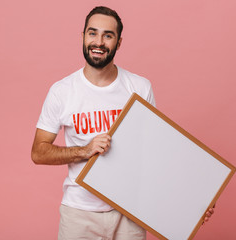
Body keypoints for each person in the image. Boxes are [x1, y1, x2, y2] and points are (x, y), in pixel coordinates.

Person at [31, 6, 214, 240]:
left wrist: (195, 201)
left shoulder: (139, 87)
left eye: (108, 35)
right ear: (83, 36)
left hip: (130, 211)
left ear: (118, 42)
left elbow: (156, 153)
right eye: (92, 33)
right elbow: (39, 152)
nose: (98, 41)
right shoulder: (61, 91)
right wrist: (85, 150)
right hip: (79, 213)